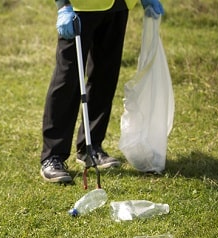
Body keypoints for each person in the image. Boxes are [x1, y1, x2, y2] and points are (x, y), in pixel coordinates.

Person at [40, 0, 164, 183]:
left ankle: (91, 148)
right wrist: (63, 5)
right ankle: (53, 156)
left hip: (119, 5)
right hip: (81, 8)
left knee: (105, 76)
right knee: (68, 78)